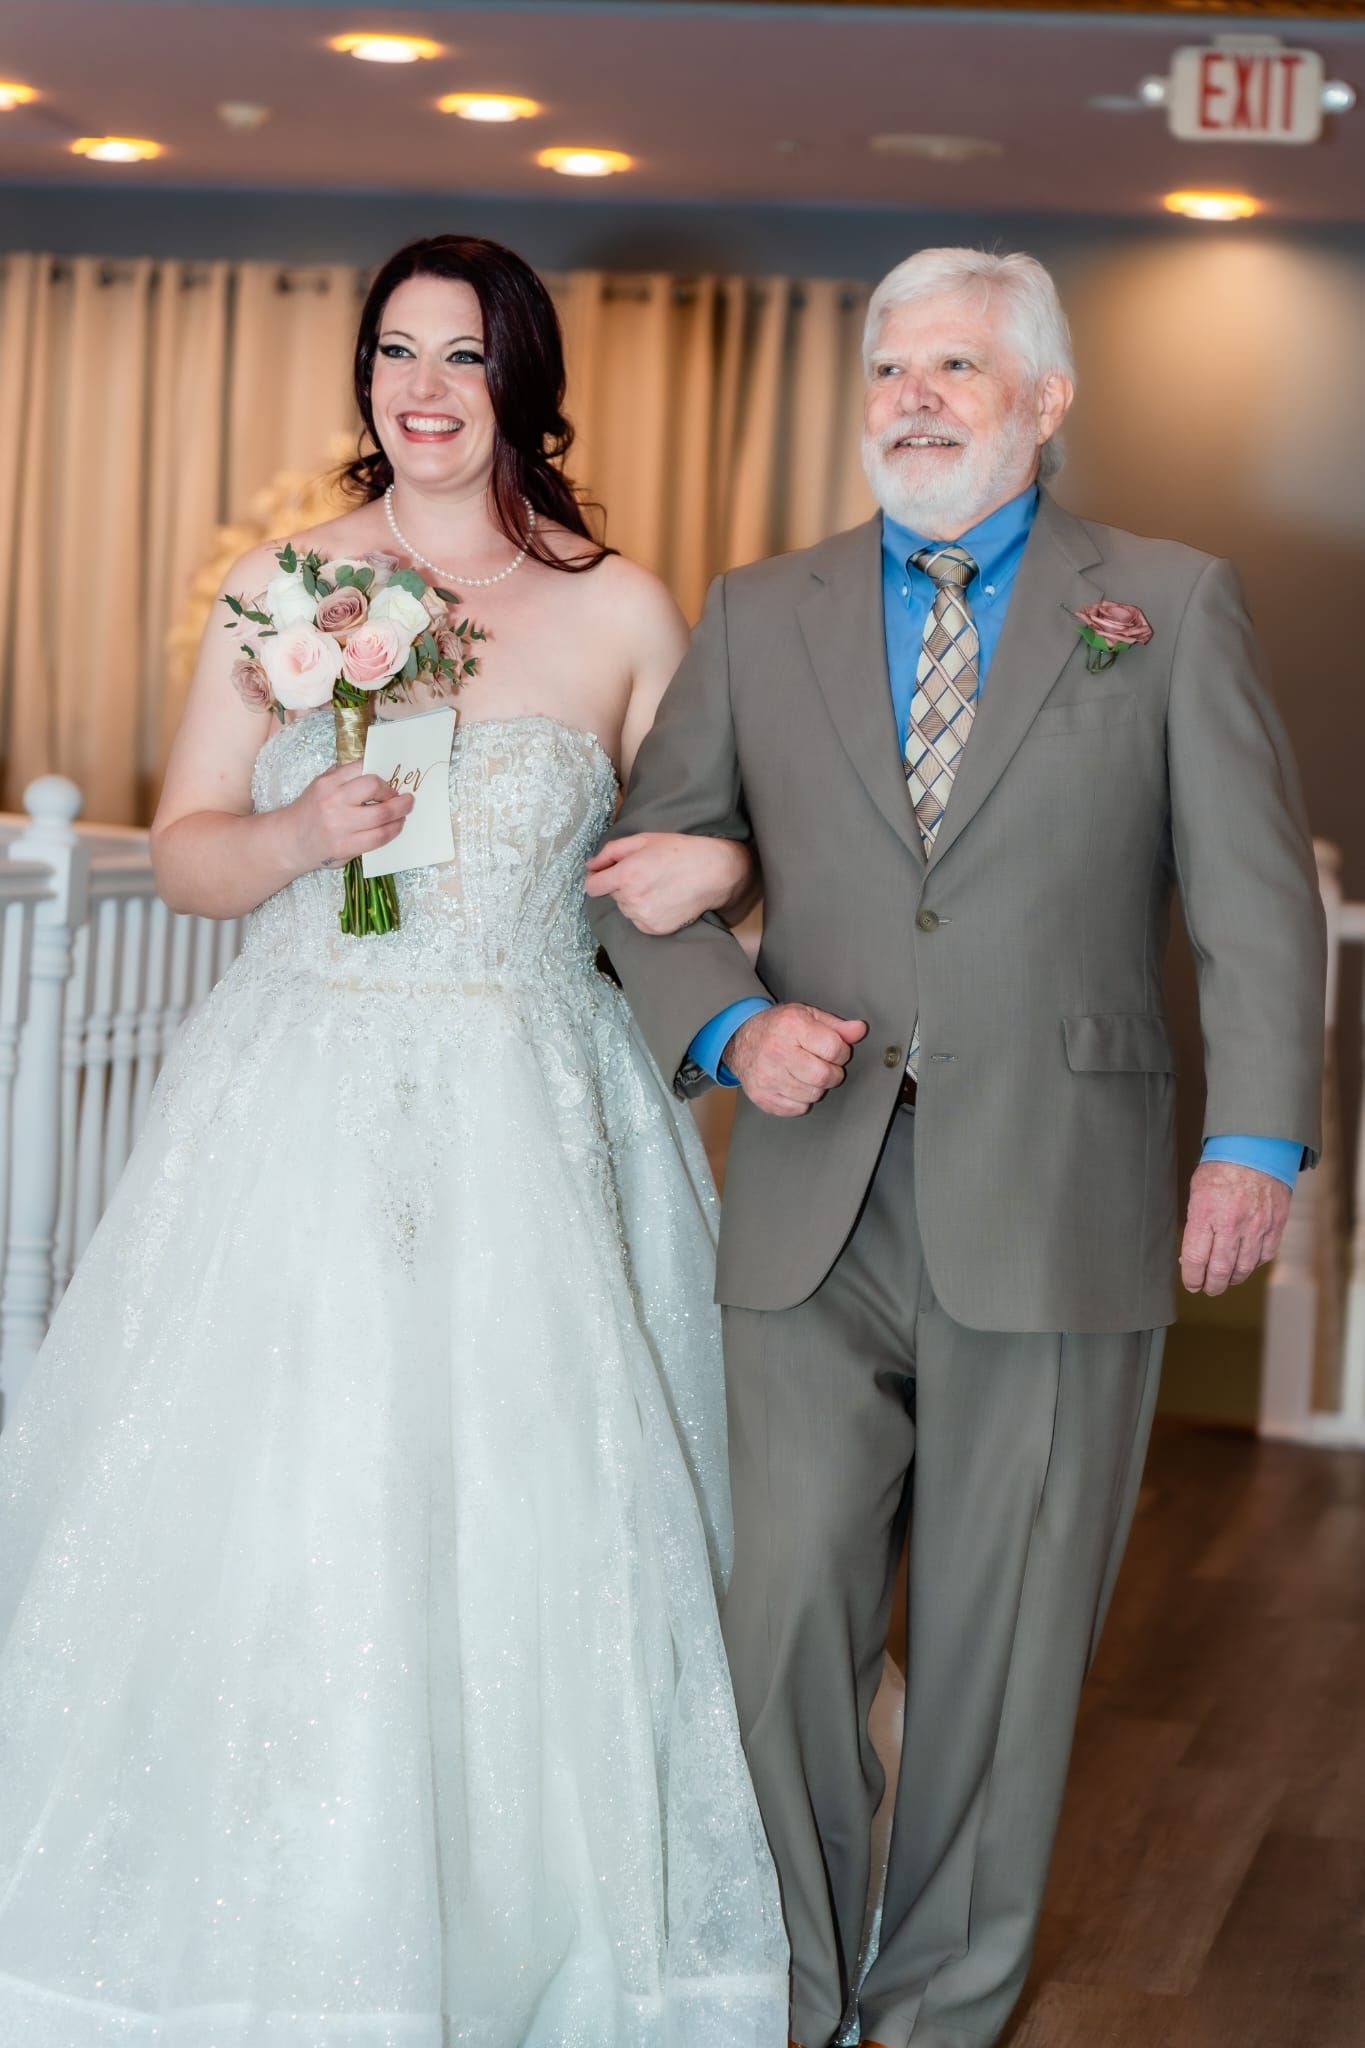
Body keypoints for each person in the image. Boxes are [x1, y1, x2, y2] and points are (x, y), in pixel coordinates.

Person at [0, 235, 787, 2047]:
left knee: (527, 1503)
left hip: (531, 1107)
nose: (422, 388)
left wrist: (723, 863)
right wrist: (300, 838)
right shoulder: (281, 587)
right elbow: (187, 849)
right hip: (295, 1102)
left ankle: (534, 1929)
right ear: (364, 377)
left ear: (522, 382)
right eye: (394, 352)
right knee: (289, 1490)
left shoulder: (621, 609)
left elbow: (710, 848)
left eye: (462, 354)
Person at [585, 246, 1325, 2048]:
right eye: (887, 369)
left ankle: (934, 2017)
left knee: (1003, 1652)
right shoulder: (760, 611)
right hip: (809, 1197)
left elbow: (1253, 904)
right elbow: (638, 878)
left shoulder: (1164, 602)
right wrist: (728, 1025)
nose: (910, 400)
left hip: (1062, 1199)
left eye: (955, 369)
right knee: (781, 1622)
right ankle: (791, 1998)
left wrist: (1252, 1142)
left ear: (1044, 402)